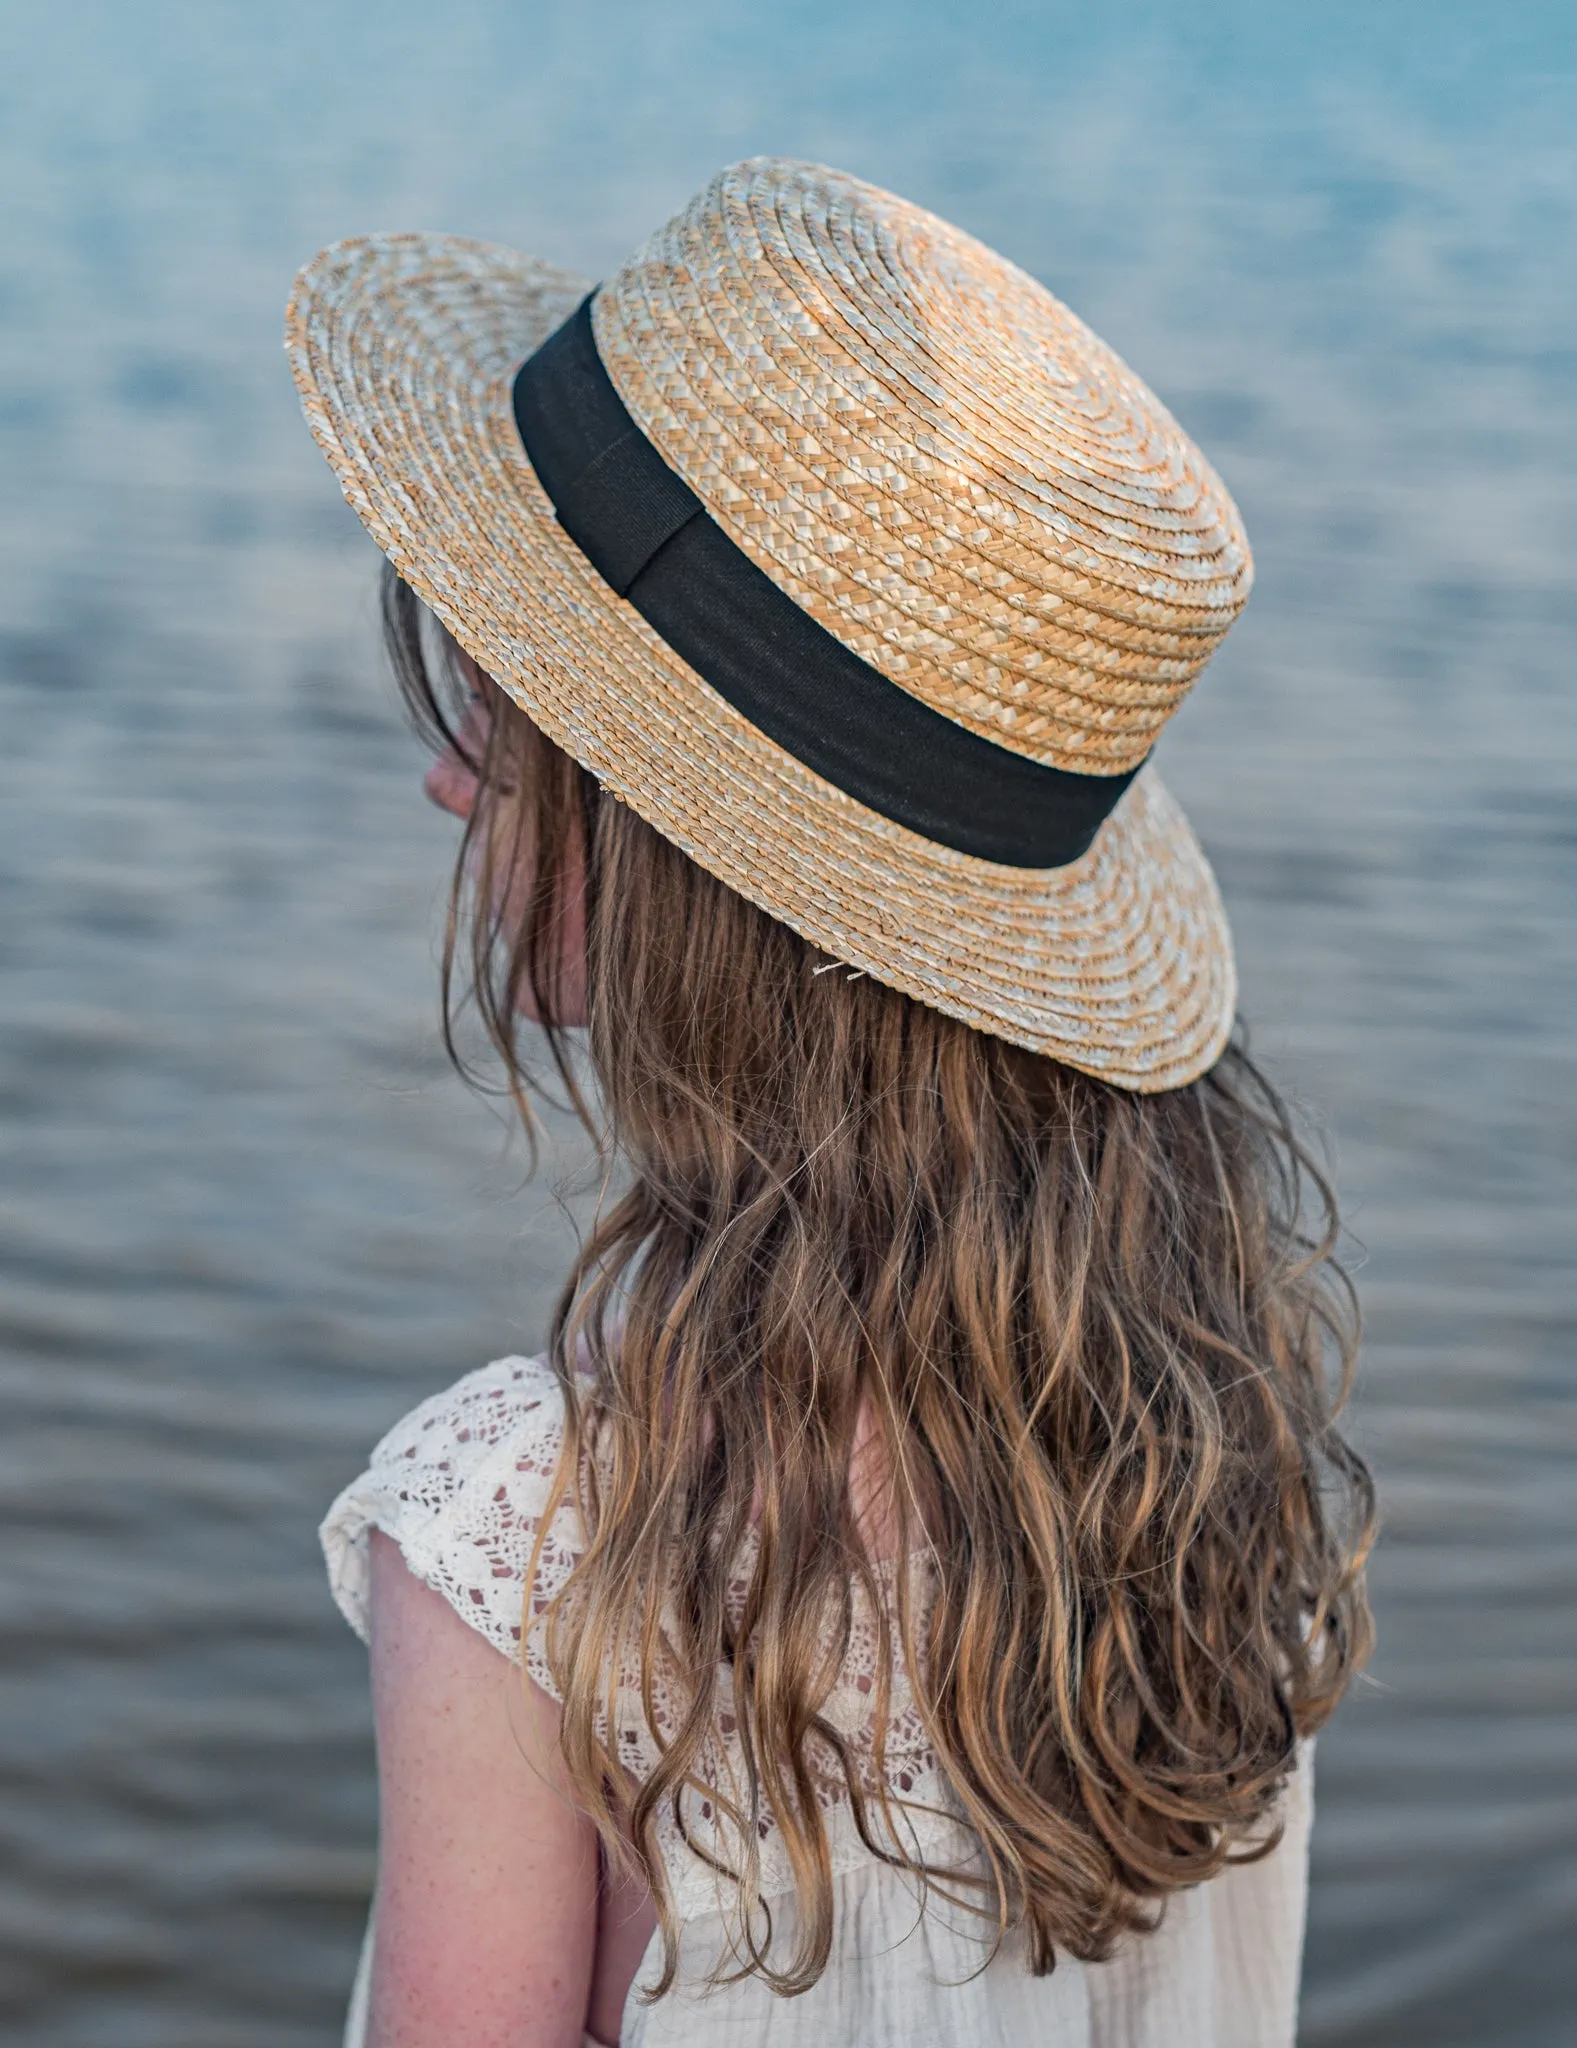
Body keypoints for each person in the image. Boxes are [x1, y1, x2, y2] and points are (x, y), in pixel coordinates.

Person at [289, 158, 1374, 2048]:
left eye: (508, 699)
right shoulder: (1211, 1471)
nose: (455, 782)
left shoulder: (537, 1539)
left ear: (678, 850)